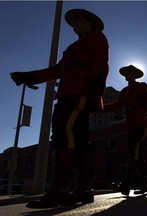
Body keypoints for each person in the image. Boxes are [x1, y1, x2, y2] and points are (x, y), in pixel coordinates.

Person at [10, 9, 109, 208]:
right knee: (79, 140)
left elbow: (100, 64)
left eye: (77, 20)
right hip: (68, 94)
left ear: (89, 22)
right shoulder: (73, 47)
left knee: (64, 135)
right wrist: (28, 76)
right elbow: (57, 70)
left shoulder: (97, 38)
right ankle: (83, 189)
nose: (74, 25)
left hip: (78, 94)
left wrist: (94, 91)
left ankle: (59, 189)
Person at [103, 65, 147, 196]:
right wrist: (101, 107)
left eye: (129, 73)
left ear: (134, 74)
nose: (126, 76)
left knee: (133, 154)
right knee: (137, 156)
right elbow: (116, 105)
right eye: (125, 74)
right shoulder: (124, 91)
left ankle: (126, 184)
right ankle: (146, 184)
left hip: (141, 124)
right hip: (130, 126)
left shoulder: (143, 86)